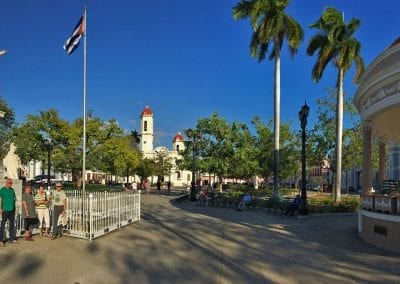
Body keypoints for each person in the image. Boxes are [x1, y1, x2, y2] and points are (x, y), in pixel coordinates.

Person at [0, 178, 17, 246]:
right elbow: (0, 199)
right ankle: (1, 240)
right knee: (2, 225)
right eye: (9, 183)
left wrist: (15, 208)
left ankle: (11, 238)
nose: (10, 184)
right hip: (5, 210)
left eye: (11, 183)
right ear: (6, 183)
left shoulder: (12, 190)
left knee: (11, 225)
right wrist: (0, 208)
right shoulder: (2, 190)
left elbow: (14, 199)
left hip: (12, 210)